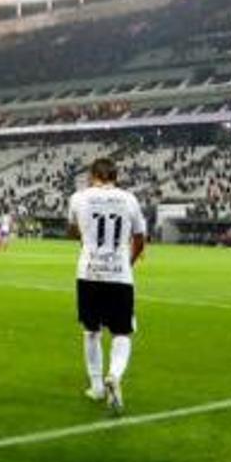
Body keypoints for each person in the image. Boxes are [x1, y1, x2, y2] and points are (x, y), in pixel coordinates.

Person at [68, 159, 147, 414]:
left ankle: (96, 385)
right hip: (119, 273)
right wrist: (129, 261)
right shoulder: (129, 199)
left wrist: (87, 238)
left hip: (89, 272)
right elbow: (140, 237)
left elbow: (72, 230)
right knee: (122, 333)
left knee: (91, 331)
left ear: (93, 175)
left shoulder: (79, 197)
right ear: (115, 175)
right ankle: (113, 374)